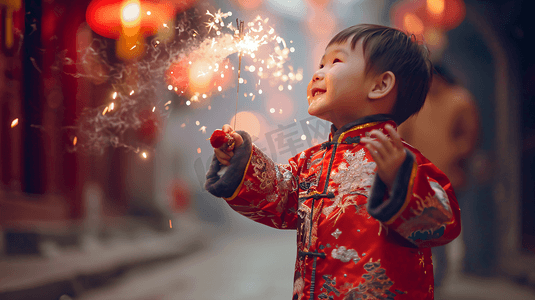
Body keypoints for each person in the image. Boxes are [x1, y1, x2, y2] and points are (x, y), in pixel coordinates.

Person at [205, 24, 461, 300]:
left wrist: (400, 180)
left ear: (380, 85)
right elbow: (278, 197)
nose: (318, 73)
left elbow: (445, 222)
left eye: (335, 62)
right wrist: (240, 159)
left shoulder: (406, 163)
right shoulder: (310, 161)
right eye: (321, 63)